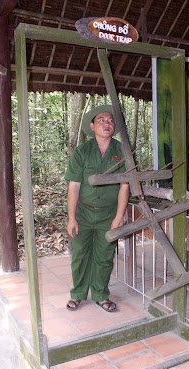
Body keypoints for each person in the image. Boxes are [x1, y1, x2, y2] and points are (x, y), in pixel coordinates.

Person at [65, 105, 129, 312]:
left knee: (104, 256)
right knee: (80, 254)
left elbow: (125, 185)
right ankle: (78, 294)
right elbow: (73, 185)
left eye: (110, 120)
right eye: (101, 120)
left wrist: (119, 217)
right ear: (92, 126)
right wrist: (72, 218)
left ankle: (101, 295)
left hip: (108, 214)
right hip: (83, 212)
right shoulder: (82, 152)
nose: (106, 123)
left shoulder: (122, 151)